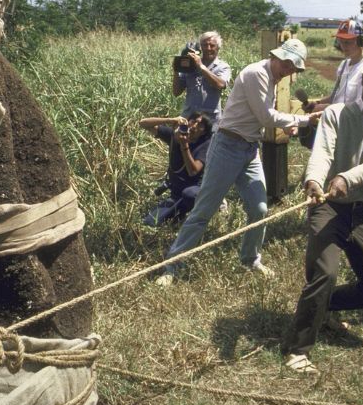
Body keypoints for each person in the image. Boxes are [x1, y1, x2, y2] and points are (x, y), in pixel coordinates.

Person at [280, 53, 363, 374]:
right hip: (326, 206)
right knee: (324, 274)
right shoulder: (336, 113)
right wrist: (314, 180)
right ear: (362, 81)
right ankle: (297, 349)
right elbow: (323, 151)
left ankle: (322, 307)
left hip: (362, 211)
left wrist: (346, 179)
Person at [155, 38, 322, 285]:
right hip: (228, 147)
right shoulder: (257, 74)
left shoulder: (273, 77)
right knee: (204, 210)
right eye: (287, 64)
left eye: (293, 67)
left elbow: (261, 117)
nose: (289, 70)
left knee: (259, 209)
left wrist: (288, 125)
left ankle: (250, 259)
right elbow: (266, 117)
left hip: (249, 149)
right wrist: (305, 120)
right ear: (276, 57)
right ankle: (172, 265)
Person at [137, 112, 213, 227]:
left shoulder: (205, 145)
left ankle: (190, 214)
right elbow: (143, 123)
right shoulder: (175, 136)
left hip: (195, 190)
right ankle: (176, 214)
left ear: (204, 132)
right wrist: (170, 120)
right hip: (176, 194)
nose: (194, 126)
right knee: (150, 222)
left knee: (189, 194)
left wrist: (184, 145)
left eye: (200, 125)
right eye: (193, 121)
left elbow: (193, 171)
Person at [301, 19, 363, 111]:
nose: (343, 46)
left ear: (361, 41)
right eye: (341, 41)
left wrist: (321, 108)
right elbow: (335, 97)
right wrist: (317, 103)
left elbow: (359, 106)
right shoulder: (344, 65)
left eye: (347, 42)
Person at [172, 31, 230, 125]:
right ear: (201, 47)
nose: (208, 48)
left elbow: (220, 84)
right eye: (205, 45)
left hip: (210, 120)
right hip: (189, 117)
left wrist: (201, 66)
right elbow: (176, 92)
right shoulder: (190, 65)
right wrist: (176, 70)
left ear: (218, 48)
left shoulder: (222, 67)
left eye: (212, 45)